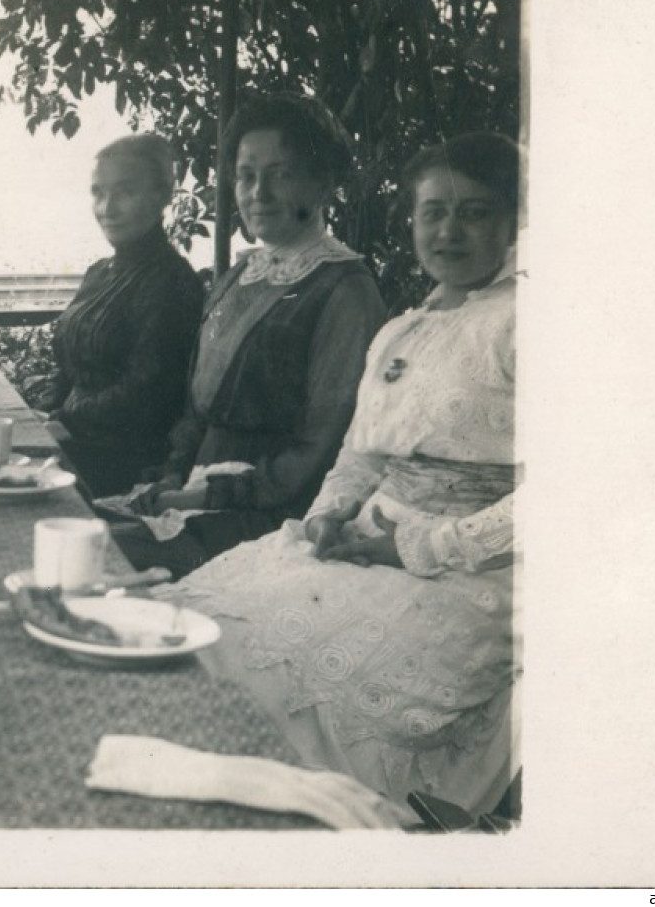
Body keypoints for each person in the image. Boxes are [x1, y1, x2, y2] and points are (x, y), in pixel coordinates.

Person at [161, 132, 524, 816]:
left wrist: (423, 546)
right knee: (201, 619)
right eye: (431, 212)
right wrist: (328, 513)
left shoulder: (527, 322)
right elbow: (360, 454)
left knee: (292, 680)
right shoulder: (401, 329)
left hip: (469, 572)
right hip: (363, 542)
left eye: (473, 212)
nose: (448, 230)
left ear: (513, 221)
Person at [106, 94, 387, 576]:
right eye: (246, 175)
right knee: (64, 525)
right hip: (193, 493)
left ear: (322, 184)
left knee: (96, 557)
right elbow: (196, 408)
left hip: (271, 518)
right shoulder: (242, 275)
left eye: (281, 174)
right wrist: (175, 473)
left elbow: (321, 451)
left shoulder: (344, 292)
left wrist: (204, 493)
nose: (259, 192)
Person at [35, 134, 204, 497]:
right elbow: (66, 367)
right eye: (98, 192)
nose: (107, 207)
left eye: (124, 192)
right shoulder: (99, 272)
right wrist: (44, 413)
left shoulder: (172, 281)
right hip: (73, 442)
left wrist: (64, 421)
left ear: (162, 196)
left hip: (125, 463)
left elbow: (148, 393)